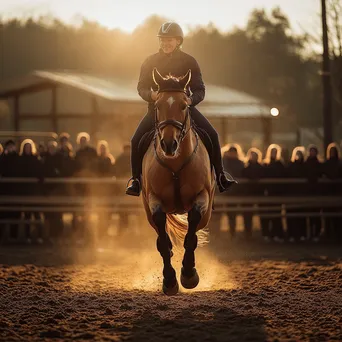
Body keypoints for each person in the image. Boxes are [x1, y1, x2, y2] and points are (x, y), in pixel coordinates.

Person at [126, 22, 236, 196]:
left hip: (185, 110)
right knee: (135, 140)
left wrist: (190, 100)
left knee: (213, 135)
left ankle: (221, 176)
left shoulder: (189, 61)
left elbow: (200, 90)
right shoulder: (149, 61)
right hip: (157, 111)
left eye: (169, 40)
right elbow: (141, 88)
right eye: (162, 40)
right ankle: (136, 180)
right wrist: (152, 96)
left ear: (178, 41)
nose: (165, 43)